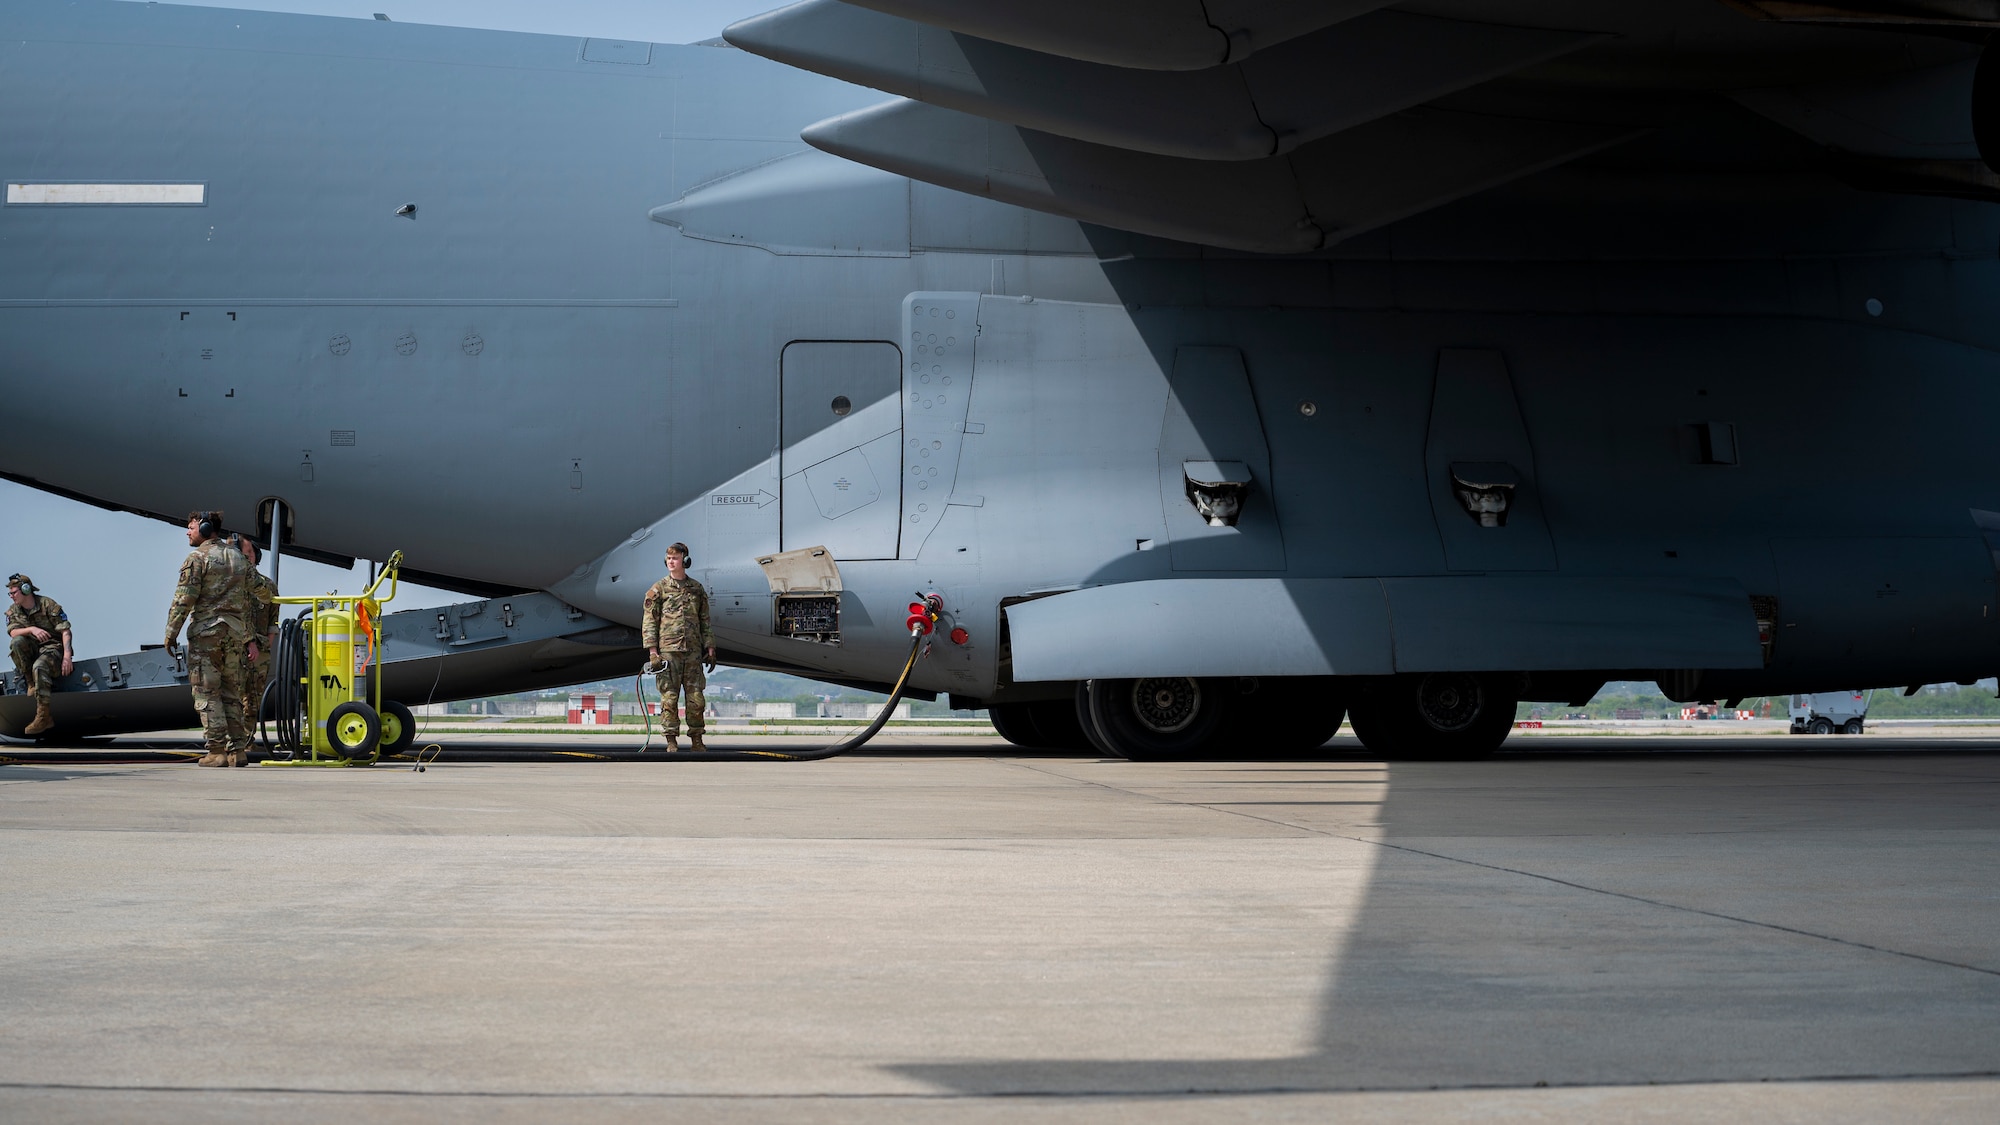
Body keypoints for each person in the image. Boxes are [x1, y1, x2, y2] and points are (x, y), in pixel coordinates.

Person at [166, 511, 256, 768]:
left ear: (205, 529)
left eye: (191, 527)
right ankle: (237, 751)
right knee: (231, 691)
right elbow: (260, 587)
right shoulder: (239, 558)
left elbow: (184, 598)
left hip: (207, 635)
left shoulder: (197, 558)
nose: (188, 532)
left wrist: (171, 632)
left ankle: (216, 751)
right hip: (234, 633)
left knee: (206, 691)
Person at [641, 542, 714, 752]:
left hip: (692, 653)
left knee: (696, 699)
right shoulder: (659, 589)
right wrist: (653, 652)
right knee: (669, 699)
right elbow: (650, 622)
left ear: (685, 560)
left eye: (675, 558)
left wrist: (710, 647)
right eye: (668, 558)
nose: (670, 562)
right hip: (668, 653)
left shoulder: (696, 589)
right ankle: (671, 739)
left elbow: (705, 620)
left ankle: (697, 739)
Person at [6, 574, 73, 737]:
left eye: (14, 592)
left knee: (40, 666)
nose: (11, 596)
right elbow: (13, 632)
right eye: (10, 593)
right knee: (16, 643)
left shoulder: (47, 604)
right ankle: (31, 682)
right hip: (32, 648)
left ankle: (43, 716)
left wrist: (66, 656)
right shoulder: (14, 611)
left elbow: (65, 631)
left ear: (26, 590)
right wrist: (31, 629)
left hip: (53, 649)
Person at [232, 534, 279, 728]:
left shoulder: (267, 586)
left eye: (251, 553)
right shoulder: (230, 584)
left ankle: (247, 739)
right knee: (232, 696)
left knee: (253, 699)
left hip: (259, 652)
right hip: (234, 647)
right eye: (244, 554)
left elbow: (273, 619)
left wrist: (267, 643)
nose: (248, 557)